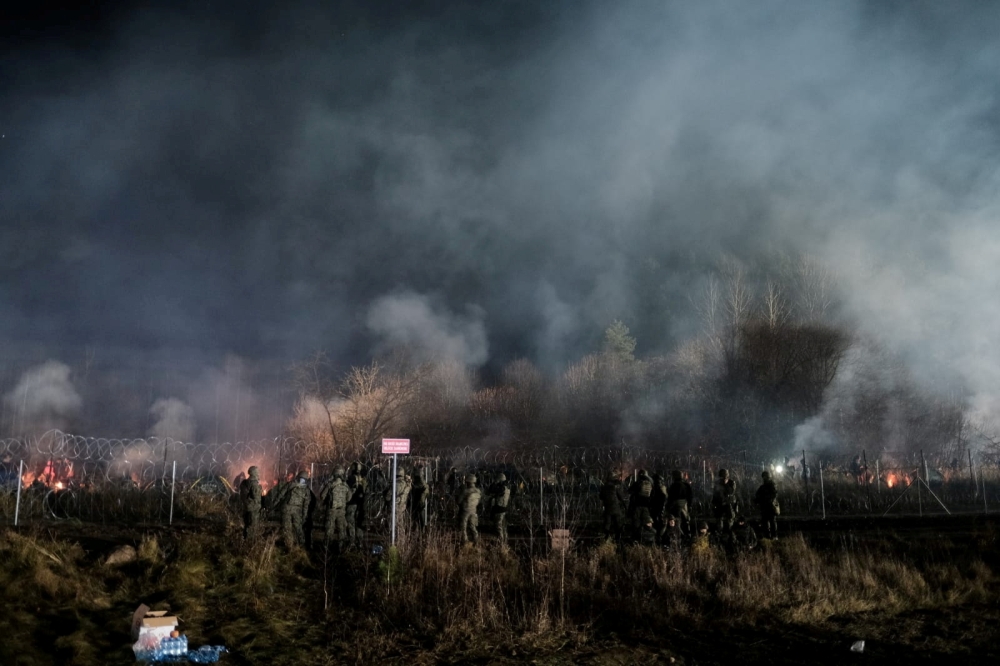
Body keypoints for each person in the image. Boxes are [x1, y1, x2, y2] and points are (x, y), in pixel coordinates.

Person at [322, 467, 353, 549]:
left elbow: (322, 496)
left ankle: (327, 548)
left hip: (331, 510)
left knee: (329, 529)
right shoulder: (345, 485)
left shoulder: (330, 485)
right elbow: (349, 497)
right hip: (341, 511)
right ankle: (341, 547)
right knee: (341, 529)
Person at [282, 471, 312, 549]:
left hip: (287, 509)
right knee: (298, 528)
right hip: (297, 510)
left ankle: (289, 546)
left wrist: (273, 505)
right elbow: (306, 505)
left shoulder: (290, 484)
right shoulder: (306, 490)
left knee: (287, 528)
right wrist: (304, 516)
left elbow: (280, 495)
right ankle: (301, 546)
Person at [599, 472, 628, 542]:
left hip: (608, 509)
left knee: (607, 524)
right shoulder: (614, 487)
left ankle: (606, 538)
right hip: (616, 508)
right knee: (618, 524)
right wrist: (625, 506)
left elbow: (601, 497)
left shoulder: (604, 487)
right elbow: (621, 497)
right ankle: (618, 539)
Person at [238, 466, 263, 539]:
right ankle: (250, 543)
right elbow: (257, 498)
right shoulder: (254, 483)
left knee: (246, 524)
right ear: (254, 473)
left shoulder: (244, 482)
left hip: (245, 506)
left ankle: (245, 539)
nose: (259, 473)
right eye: (257, 472)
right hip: (253, 507)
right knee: (252, 526)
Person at [346, 462, 367, 549]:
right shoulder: (364, 479)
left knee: (350, 522)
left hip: (352, 503)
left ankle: (351, 542)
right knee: (359, 523)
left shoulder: (351, 478)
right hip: (361, 504)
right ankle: (360, 542)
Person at [667, 469, 694, 536]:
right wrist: (690, 505)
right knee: (685, 522)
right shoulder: (686, 485)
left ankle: (679, 536)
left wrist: (669, 507)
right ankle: (687, 535)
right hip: (684, 505)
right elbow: (690, 497)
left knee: (677, 522)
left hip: (676, 506)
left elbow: (670, 497)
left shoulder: (673, 485)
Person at [628, 470, 653, 541]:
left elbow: (630, 490)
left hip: (637, 505)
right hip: (647, 506)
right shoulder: (651, 483)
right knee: (646, 523)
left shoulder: (638, 482)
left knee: (636, 523)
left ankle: (636, 539)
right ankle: (646, 539)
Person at [754, 470, 780, 540]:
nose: (765, 478)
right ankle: (768, 536)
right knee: (766, 522)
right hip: (765, 506)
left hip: (770, 506)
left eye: (766, 477)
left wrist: (765, 499)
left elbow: (773, 495)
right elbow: (758, 495)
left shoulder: (771, 485)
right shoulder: (763, 486)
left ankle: (773, 536)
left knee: (771, 522)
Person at [457, 473, 482, 544]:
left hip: (465, 511)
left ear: (468, 481)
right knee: (472, 526)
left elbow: (458, 501)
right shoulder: (478, 491)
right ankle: (476, 541)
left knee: (463, 527)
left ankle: (465, 542)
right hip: (474, 510)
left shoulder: (466, 491)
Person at [487, 472, 511, 544]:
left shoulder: (501, 489)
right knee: (504, 529)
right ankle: (504, 544)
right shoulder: (507, 488)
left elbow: (491, 489)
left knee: (499, 529)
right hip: (504, 510)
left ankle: (501, 545)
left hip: (499, 511)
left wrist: (495, 482)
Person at [712, 468, 738, 535]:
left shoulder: (731, 482)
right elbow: (715, 493)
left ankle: (730, 533)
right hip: (720, 503)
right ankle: (719, 533)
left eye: (725, 474)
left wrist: (726, 484)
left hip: (729, 503)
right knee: (719, 519)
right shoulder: (718, 483)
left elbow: (731, 492)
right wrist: (713, 502)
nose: (724, 476)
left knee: (730, 519)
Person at [650, 473, 668, 544]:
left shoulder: (659, 490)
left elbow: (662, 501)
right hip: (658, 511)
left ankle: (660, 542)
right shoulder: (661, 488)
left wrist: (660, 513)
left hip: (658, 512)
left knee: (659, 528)